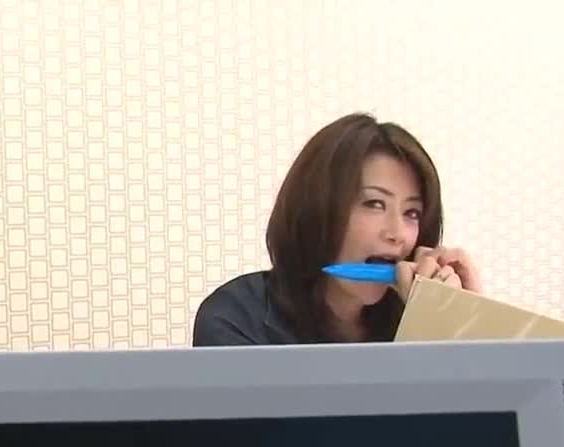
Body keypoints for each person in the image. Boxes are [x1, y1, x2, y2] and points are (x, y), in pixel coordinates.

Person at [191, 113, 482, 346]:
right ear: (316, 208)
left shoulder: (417, 315)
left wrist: (472, 323)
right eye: (374, 204)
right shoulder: (236, 318)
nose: (397, 233)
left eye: (412, 213)